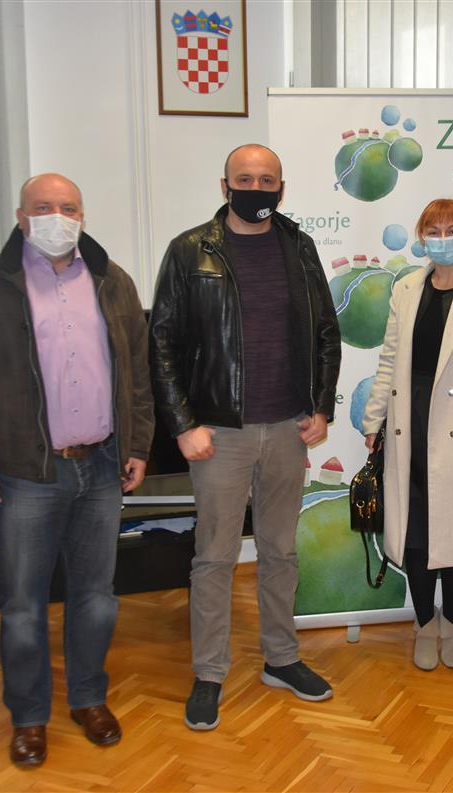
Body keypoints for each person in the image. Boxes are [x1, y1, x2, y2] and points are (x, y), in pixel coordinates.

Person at [0, 173, 154, 767]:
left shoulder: (112, 281)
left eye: (68, 207)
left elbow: (136, 376)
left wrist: (137, 446)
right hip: (24, 473)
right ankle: (29, 717)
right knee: (22, 607)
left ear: (82, 216)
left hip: (102, 466)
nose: (57, 217)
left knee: (96, 598)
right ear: (21, 216)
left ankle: (88, 698)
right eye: (43, 207)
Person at [150, 144, 341, 730]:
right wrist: (184, 425)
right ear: (225, 185)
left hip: (287, 427)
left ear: (281, 188)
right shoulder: (190, 251)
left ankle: (281, 659)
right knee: (214, 556)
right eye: (244, 179)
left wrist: (321, 407)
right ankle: (210, 673)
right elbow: (162, 342)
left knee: (281, 551)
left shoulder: (299, 248)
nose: (255, 188)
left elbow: (326, 331)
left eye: (266, 180)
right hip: (220, 434)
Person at [362, 199, 453, 671]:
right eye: (433, 229)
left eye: (452, 229)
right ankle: (424, 622)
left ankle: (452, 621)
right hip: (409, 425)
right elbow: (389, 360)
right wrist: (373, 421)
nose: (442, 238)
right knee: (416, 531)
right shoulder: (406, 288)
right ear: (421, 236)